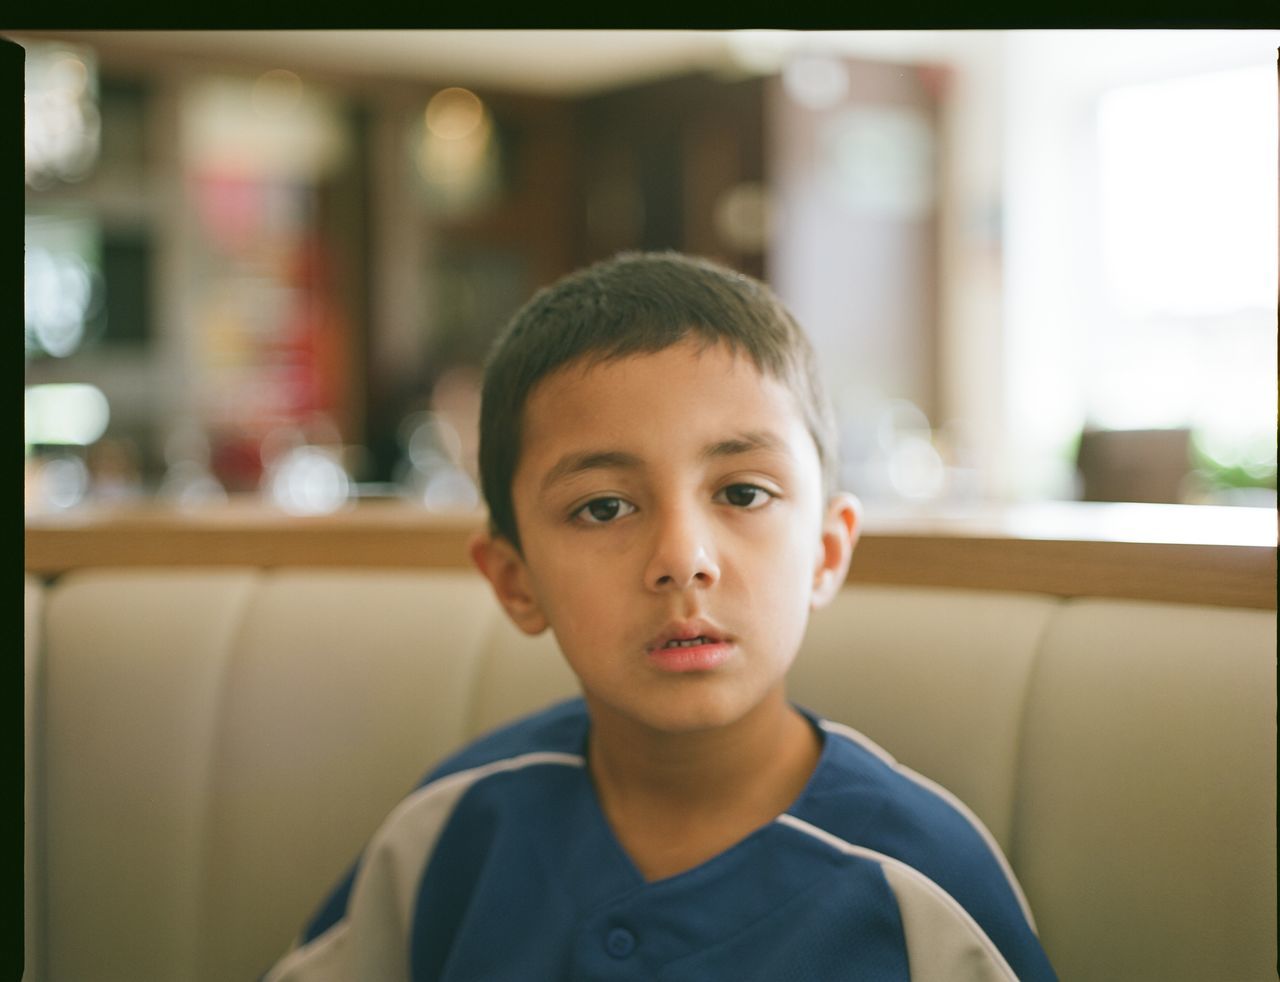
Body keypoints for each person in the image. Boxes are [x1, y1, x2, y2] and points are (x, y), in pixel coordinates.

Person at [263, 251, 1058, 981]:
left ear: (825, 550)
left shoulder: (924, 884)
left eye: (743, 493)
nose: (684, 558)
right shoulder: (453, 830)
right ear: (516, 582)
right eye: (604, 507)